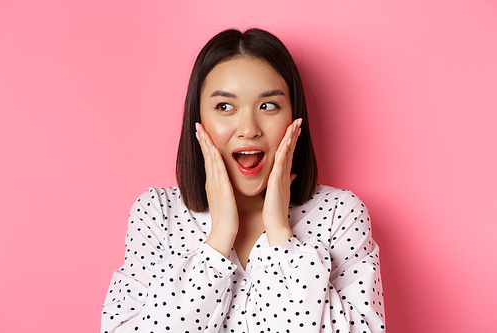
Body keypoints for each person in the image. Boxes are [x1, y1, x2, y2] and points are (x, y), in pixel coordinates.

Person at [101, 28, 385, 333]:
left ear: (294, 117)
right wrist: (219, 238)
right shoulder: (157, 212)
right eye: (225, 107)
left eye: (268, 106)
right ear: (198, 120)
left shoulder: (339, 214)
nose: (249, 129)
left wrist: (280, 233)